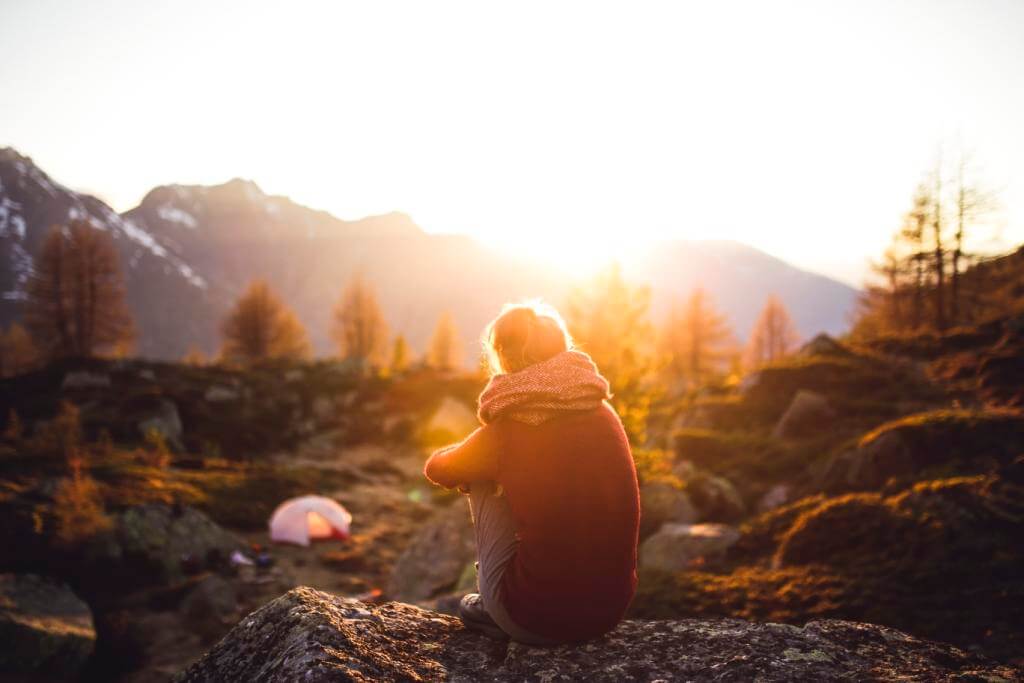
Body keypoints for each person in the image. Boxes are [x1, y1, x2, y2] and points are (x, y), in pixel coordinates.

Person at [423, 301, 640, 645]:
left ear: (504, 357)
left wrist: (484, 458)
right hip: (608, 614)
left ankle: (493, 601)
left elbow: (438, 469)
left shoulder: (509, 427)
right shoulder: (602, 411)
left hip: (533, 620)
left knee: (479, 474)